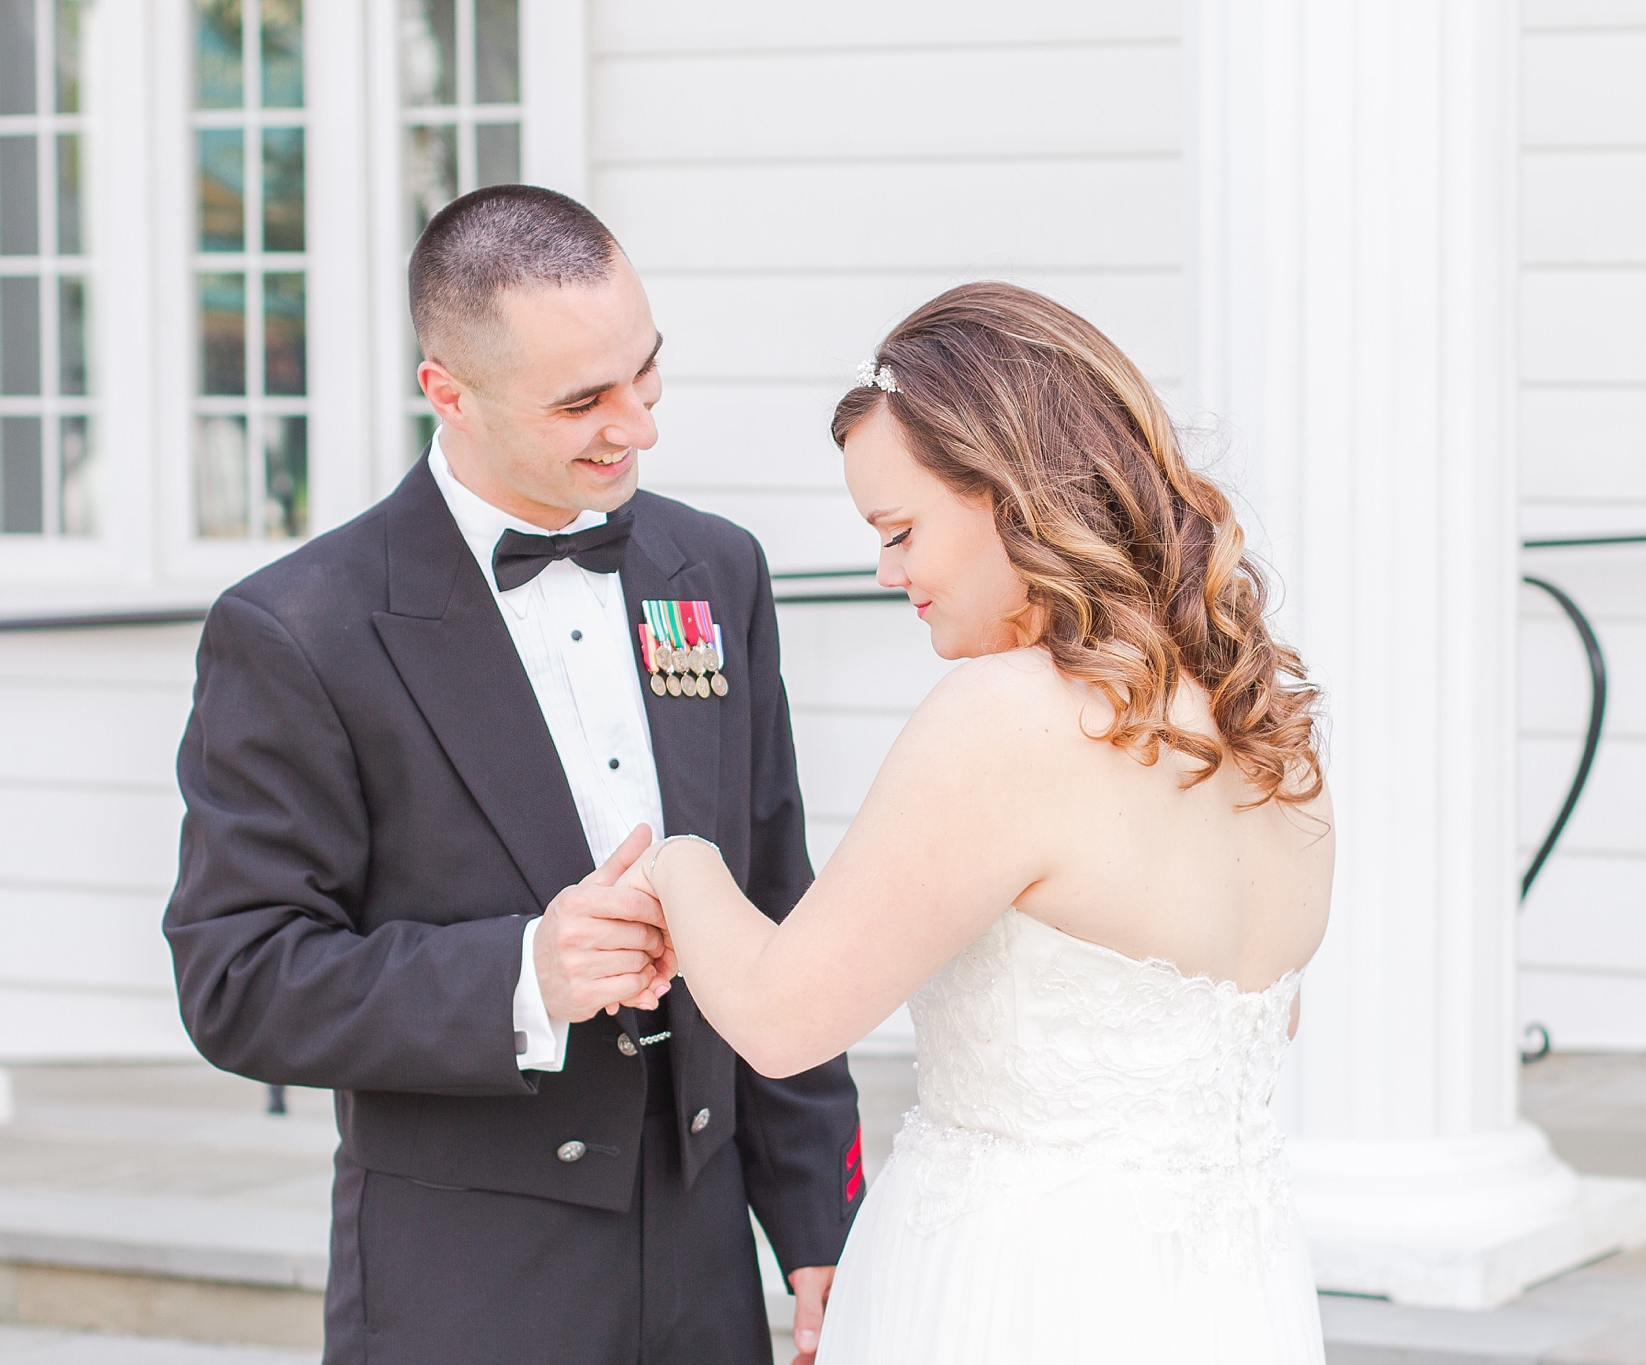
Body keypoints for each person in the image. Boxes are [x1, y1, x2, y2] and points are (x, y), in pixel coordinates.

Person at [164, 185, 862, 1365]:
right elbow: (237, 977)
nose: (633, 427)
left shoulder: (715, 569)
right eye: (581, 401)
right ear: (449, 391)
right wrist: (524, 973)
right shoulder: (297, 629)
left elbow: (778, 907)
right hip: (465, 1290)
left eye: (646, 375)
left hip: (705, 1277)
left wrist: (818, 1219)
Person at [616, 282, 1336, 1362]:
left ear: (1009, 492)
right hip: (1229, 1293)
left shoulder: (1006, 714)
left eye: (900, 529)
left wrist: (677, 862)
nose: (887, 572)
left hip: (1023, 1289)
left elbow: (779, 1018)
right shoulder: (1261, 718)